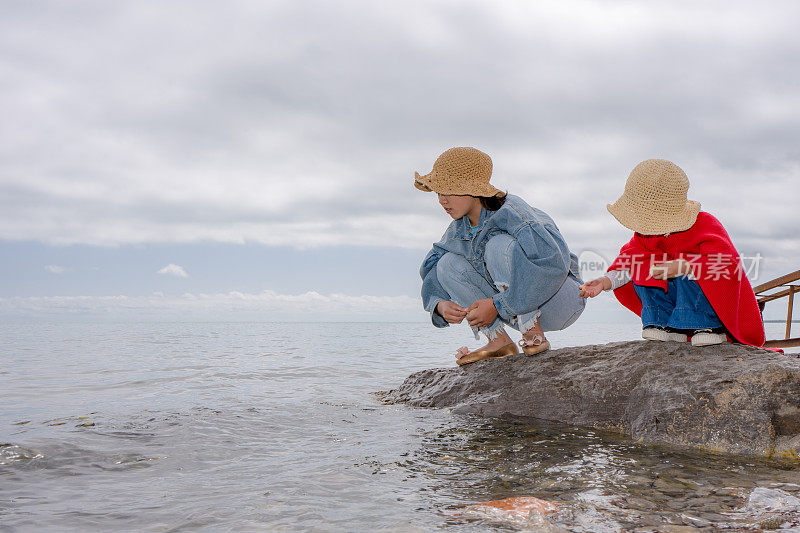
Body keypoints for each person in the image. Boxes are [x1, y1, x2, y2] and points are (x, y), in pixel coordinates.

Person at [416, 147, 586, 366]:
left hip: (560, 299)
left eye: (449, 191)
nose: (442, 200)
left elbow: (552, 263)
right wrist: (439, 303)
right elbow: (431, 265)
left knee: (497, 246)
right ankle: (499, 342)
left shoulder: (514, 212)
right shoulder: (458, 229)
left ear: (473, 189)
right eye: (438, 193)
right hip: (514, 306)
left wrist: (497, 305)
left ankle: (533, 334)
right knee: (447, 263)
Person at [579, 158, 765, 347]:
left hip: (707, 306)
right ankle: (662, 323)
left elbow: (726, 266)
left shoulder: (705, 226)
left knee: (691, 267)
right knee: (643, 266)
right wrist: (604, 282)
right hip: (672, 310)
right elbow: (629, 265)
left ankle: (708, 325)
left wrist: (685, 266)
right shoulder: (644, 235)